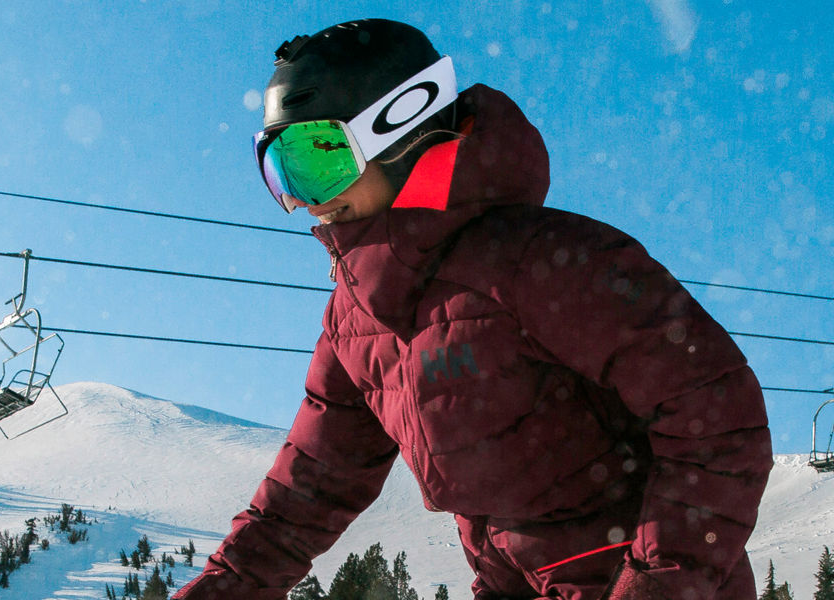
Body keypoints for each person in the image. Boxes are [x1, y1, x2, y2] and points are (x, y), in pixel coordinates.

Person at [176, 19, 771, 600]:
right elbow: (306, 492)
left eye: (320, 160)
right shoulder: (354, 322)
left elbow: (717, 416)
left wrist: (655, 584)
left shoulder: (543, 260)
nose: (310, 201)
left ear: (401, 129)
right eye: (283, 171)